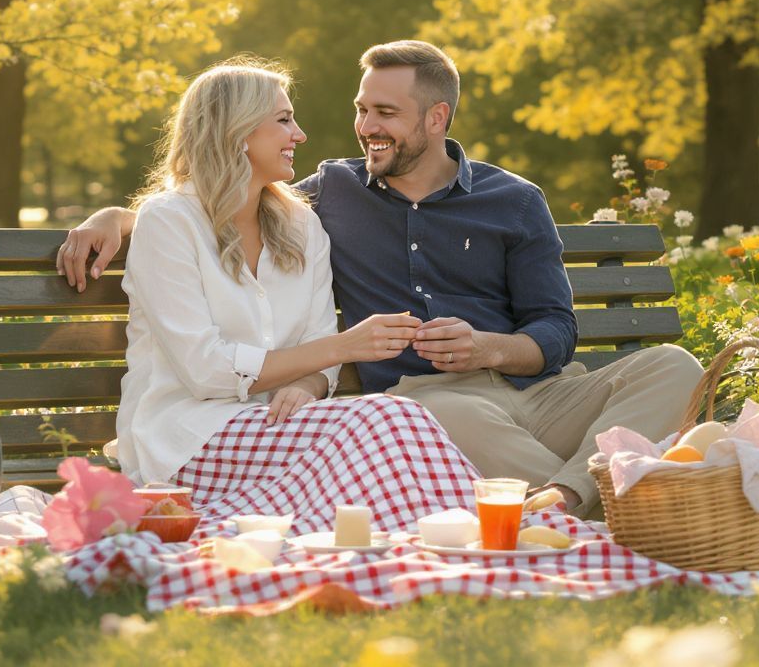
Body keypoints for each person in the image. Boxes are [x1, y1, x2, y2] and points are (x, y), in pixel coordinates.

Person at [59, 41, 704, 518]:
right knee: (424, 416)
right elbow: (212, 203)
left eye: (385, 112)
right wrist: (120, 216)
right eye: (361, 109)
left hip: (536, 394)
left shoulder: (512, 200)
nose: (364, 127)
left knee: (673, 366)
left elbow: (556, 331)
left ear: (437, 118)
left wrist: (491, 349)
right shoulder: (332, 193)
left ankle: (565, 498)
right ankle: (638, 509)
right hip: (430, 403)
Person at [95, 59, 478, 532]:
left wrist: (309, 385)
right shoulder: (170, 223)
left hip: (281, 431)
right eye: (283, 120)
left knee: (393, 428)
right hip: (188, 440)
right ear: (235, 131)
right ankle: (475, 537)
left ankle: (462, 539)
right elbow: (205, 371)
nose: (299, 135)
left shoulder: (302, 225)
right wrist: (345, 345)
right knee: (386, 419)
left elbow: (319, 346)